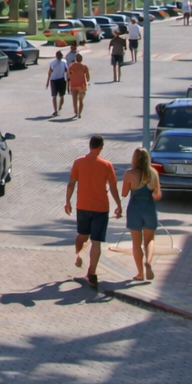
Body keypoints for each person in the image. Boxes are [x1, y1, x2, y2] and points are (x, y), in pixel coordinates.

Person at [65, 135, 122, 288]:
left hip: (82, 206)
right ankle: (92, 272)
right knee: (96, 242)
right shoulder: (107, 165)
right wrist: (119, 205)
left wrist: (67, 202)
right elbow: (114, 187)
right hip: (101, 208)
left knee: (82, 235)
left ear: (89, 145)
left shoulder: (78, 162)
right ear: (101, 147)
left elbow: (71, 184)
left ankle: (78, 256)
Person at [122, 147, 162, 282]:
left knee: (136, 243)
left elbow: (124, 193)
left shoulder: (129, 173)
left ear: (135, 158)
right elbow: (157, 195)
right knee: (150, 239)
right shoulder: (154, 173)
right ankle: (149, 262)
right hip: (149, 208)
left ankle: (140, 273)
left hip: (134, 209)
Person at [66, 53, 90, 120]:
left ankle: (76, 112)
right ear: (81, 59)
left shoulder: (71, 66)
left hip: (73, 84)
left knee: (74, 99)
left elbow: (69, 75)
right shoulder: (84, 67)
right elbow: (88, 77)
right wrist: (87, 80)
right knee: (81, 100)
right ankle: (79, 113)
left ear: (76, 59)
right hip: (81, 85)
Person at [46, 50, 69, 116]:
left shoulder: (64, 62)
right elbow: (50, 71)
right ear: (56, 56)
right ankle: (55, 110)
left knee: (61, 96)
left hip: (61, 80)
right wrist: (48, 81)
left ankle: (59, 107)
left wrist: (68, 78)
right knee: (54, 96)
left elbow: (66, 70)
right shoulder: (53, 63)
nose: (60, 57)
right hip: (54, 80)